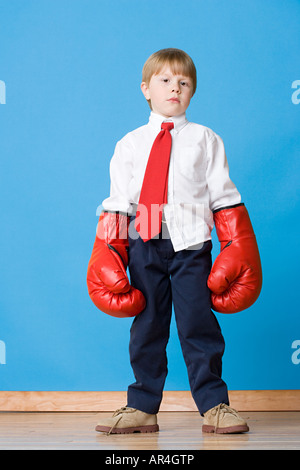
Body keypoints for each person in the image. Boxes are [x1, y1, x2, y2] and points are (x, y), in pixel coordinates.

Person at [87, 48, 262, 434]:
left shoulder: (205, 139)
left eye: (184, 83)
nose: (175, 88)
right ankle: (142, 407)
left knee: (198, 322)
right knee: (147, 324)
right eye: (165, 81)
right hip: (143, 242)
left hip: (191, 246)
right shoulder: (130, 143)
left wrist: (238, 243)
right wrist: (109, 248)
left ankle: (215, 405)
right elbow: (119, 201)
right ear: (146, 89)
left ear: (192, 92)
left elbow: (223, 195)